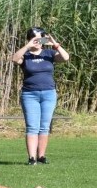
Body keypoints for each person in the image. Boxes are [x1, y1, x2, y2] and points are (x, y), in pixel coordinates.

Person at [11, 27, 69, 165]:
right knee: (32, 127)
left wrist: (55, 44)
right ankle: (32, 157)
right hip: (30, 94)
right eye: (34, 39)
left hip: (49, 94)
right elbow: (14, 59)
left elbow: (65, 58)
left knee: (44, 126)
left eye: (40, 39)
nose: (37, 42)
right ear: (29, 39)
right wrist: (27, 46)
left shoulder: (49, 53)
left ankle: (41, 156)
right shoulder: (25, 55)